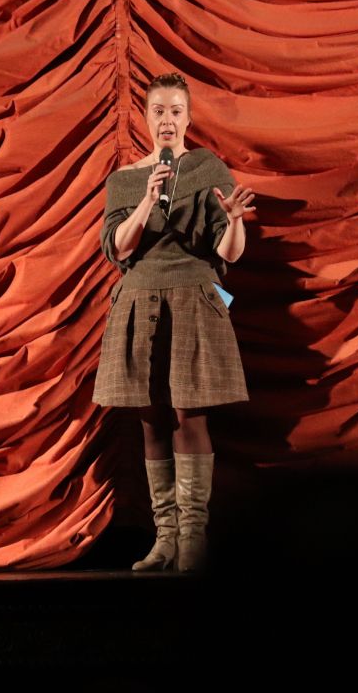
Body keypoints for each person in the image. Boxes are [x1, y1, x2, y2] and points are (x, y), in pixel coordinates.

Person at [93, 72, 256, 573]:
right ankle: (164, 538)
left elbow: (228, 253)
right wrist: (147, 198)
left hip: (193, 294)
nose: (167, 120)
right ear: (146, 118)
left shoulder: (208, 168)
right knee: (150, 418)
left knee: (191, 414)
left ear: (188, 117)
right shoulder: (124, 178)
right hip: (140, 297)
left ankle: (193, 539)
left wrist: (232, 221)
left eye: (175, 111)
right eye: (158, 110)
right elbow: (118, 250)